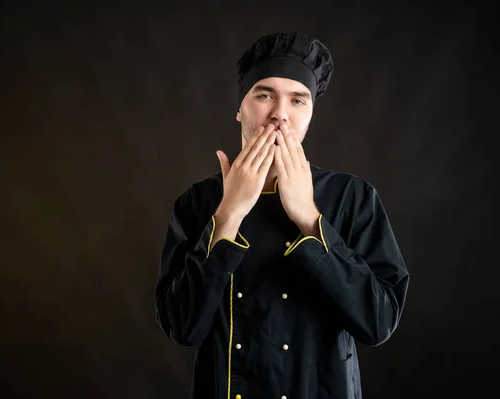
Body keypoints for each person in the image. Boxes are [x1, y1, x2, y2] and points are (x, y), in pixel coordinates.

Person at [154, 31, 410, 399]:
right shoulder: (197, 202)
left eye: (298, 100)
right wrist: (228, 216)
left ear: (310, 114)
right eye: (264, 95)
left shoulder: (352, 197)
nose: (280, 114)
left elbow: (378, 323)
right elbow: (182, 328)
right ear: (240, 108)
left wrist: (309, 218)